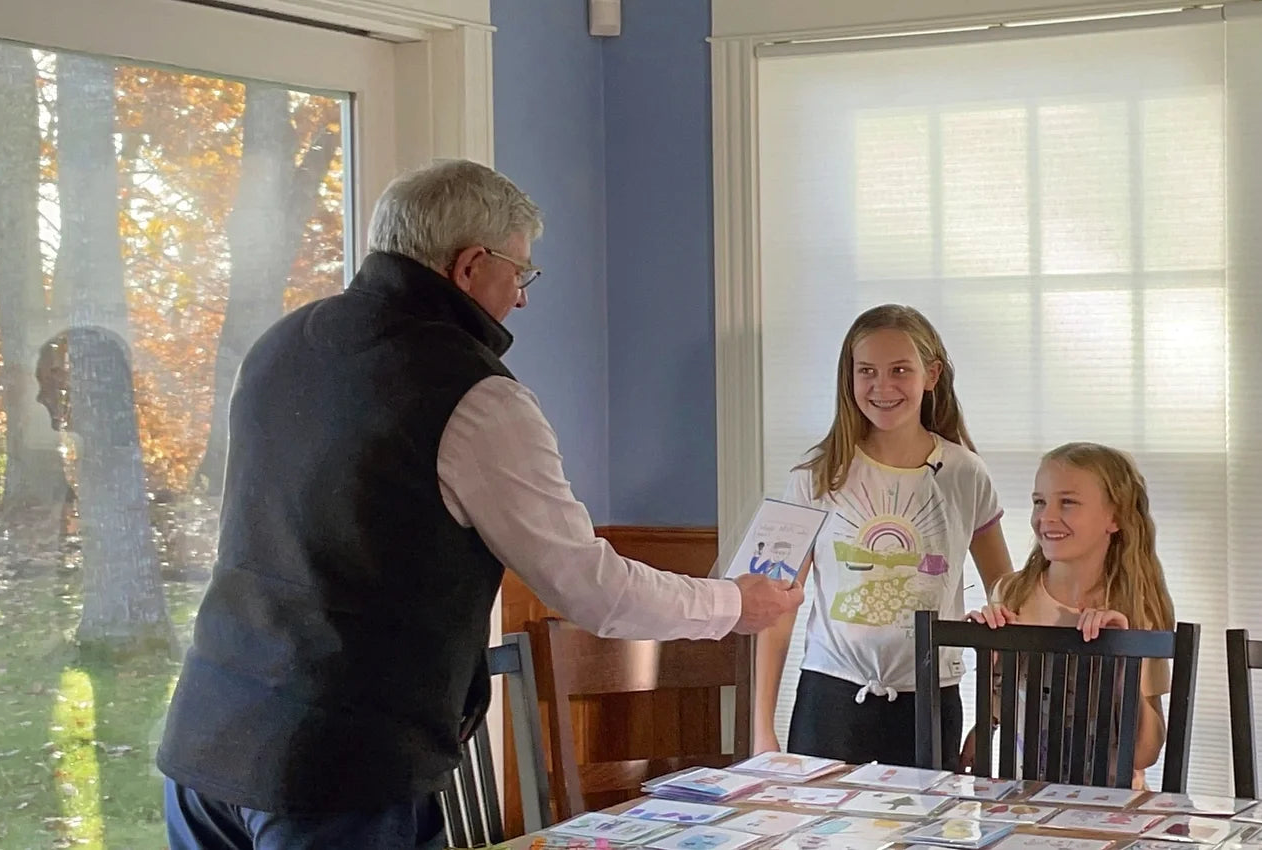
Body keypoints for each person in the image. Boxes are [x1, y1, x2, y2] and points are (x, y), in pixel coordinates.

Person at [157, 159, 804, 849]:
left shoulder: (280, 344)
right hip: (340, 773)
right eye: (520, 273)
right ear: (470, 267)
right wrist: (736, 605)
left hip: (202, 744)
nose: (522, 298)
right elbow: (593, 590)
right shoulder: (477, 398)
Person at [752, 304, 1015, 769]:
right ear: (848, 379)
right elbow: (776, 608)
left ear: (931, 375)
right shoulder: (816, 477)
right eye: (867, 371)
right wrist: (761, 730)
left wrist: (993, 716)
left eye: (900, 371)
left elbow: (1008, 599)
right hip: (829, 699)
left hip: (931, 703)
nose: (883, 386)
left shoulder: (965, 474)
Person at [963, 442, 1176, 784]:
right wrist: (987, 656)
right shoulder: (1011, 593)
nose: (1046, 517)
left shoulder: (1137, 608)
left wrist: (1121, 658)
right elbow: (1003, 704)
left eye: (1068, 503)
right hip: (1022, 806)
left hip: (1111, 809)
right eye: (1039, 502)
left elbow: (1143, 754)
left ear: (1115, 517)